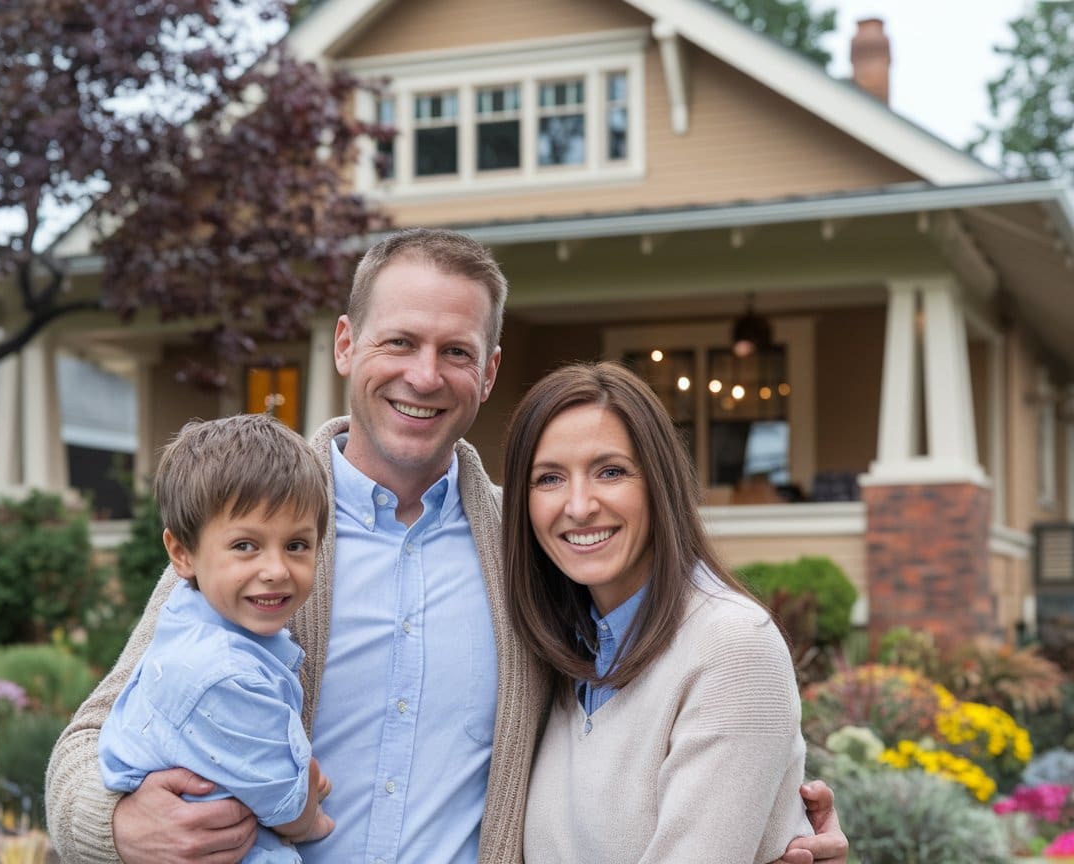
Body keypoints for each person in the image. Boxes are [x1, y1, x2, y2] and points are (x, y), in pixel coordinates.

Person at [45, 227, 848, 864]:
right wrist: (115, 828)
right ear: (346, 346)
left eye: (455, 352)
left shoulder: (531, 552)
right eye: (400, 343)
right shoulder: (253, 544)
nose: (424, 377)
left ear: (490, 371)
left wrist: (778, 827)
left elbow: (662, 677)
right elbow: (92, 736)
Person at [503, 360, 816, 862]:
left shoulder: (733, 647)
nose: (579, 506)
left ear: (659, 484)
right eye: (549, 478)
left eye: (610, 472)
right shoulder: (563, 655)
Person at [97, 413, 335, 862]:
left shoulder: (192, 624)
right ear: (181, 554)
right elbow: (286, 807)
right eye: (245, 545)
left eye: (297, 545)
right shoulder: (223, 673)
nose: (276, 570)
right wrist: (311, 813)